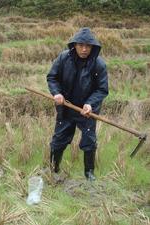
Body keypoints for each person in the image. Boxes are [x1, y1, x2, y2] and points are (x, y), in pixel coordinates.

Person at [46, 27, 108, 181]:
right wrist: (57, 93)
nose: (84, 49)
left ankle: (89, 173)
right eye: (81, 45)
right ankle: (54, 169)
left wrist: (90, 104)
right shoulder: (63, 58)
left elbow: (102, 89)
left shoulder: (99, 64)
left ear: (93, 47)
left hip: (86, 111)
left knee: (89, 141)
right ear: (74, 45)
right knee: (59, 139)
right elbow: (52, 78)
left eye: (88, 46)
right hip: (66, 108)